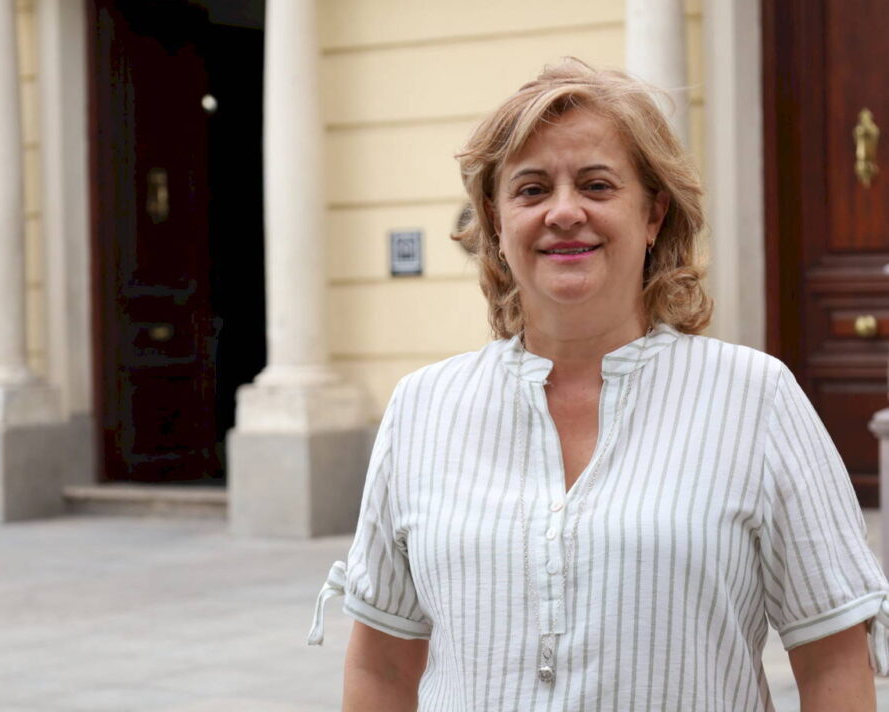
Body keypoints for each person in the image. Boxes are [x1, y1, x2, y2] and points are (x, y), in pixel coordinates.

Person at [308, 58, 889, 711]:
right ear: (495, 221)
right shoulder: (424, 408)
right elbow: (382, 666)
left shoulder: (755, 399)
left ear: (653, 215)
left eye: (597, 185)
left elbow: (832, 662)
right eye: (531, 189)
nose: (564, 212)